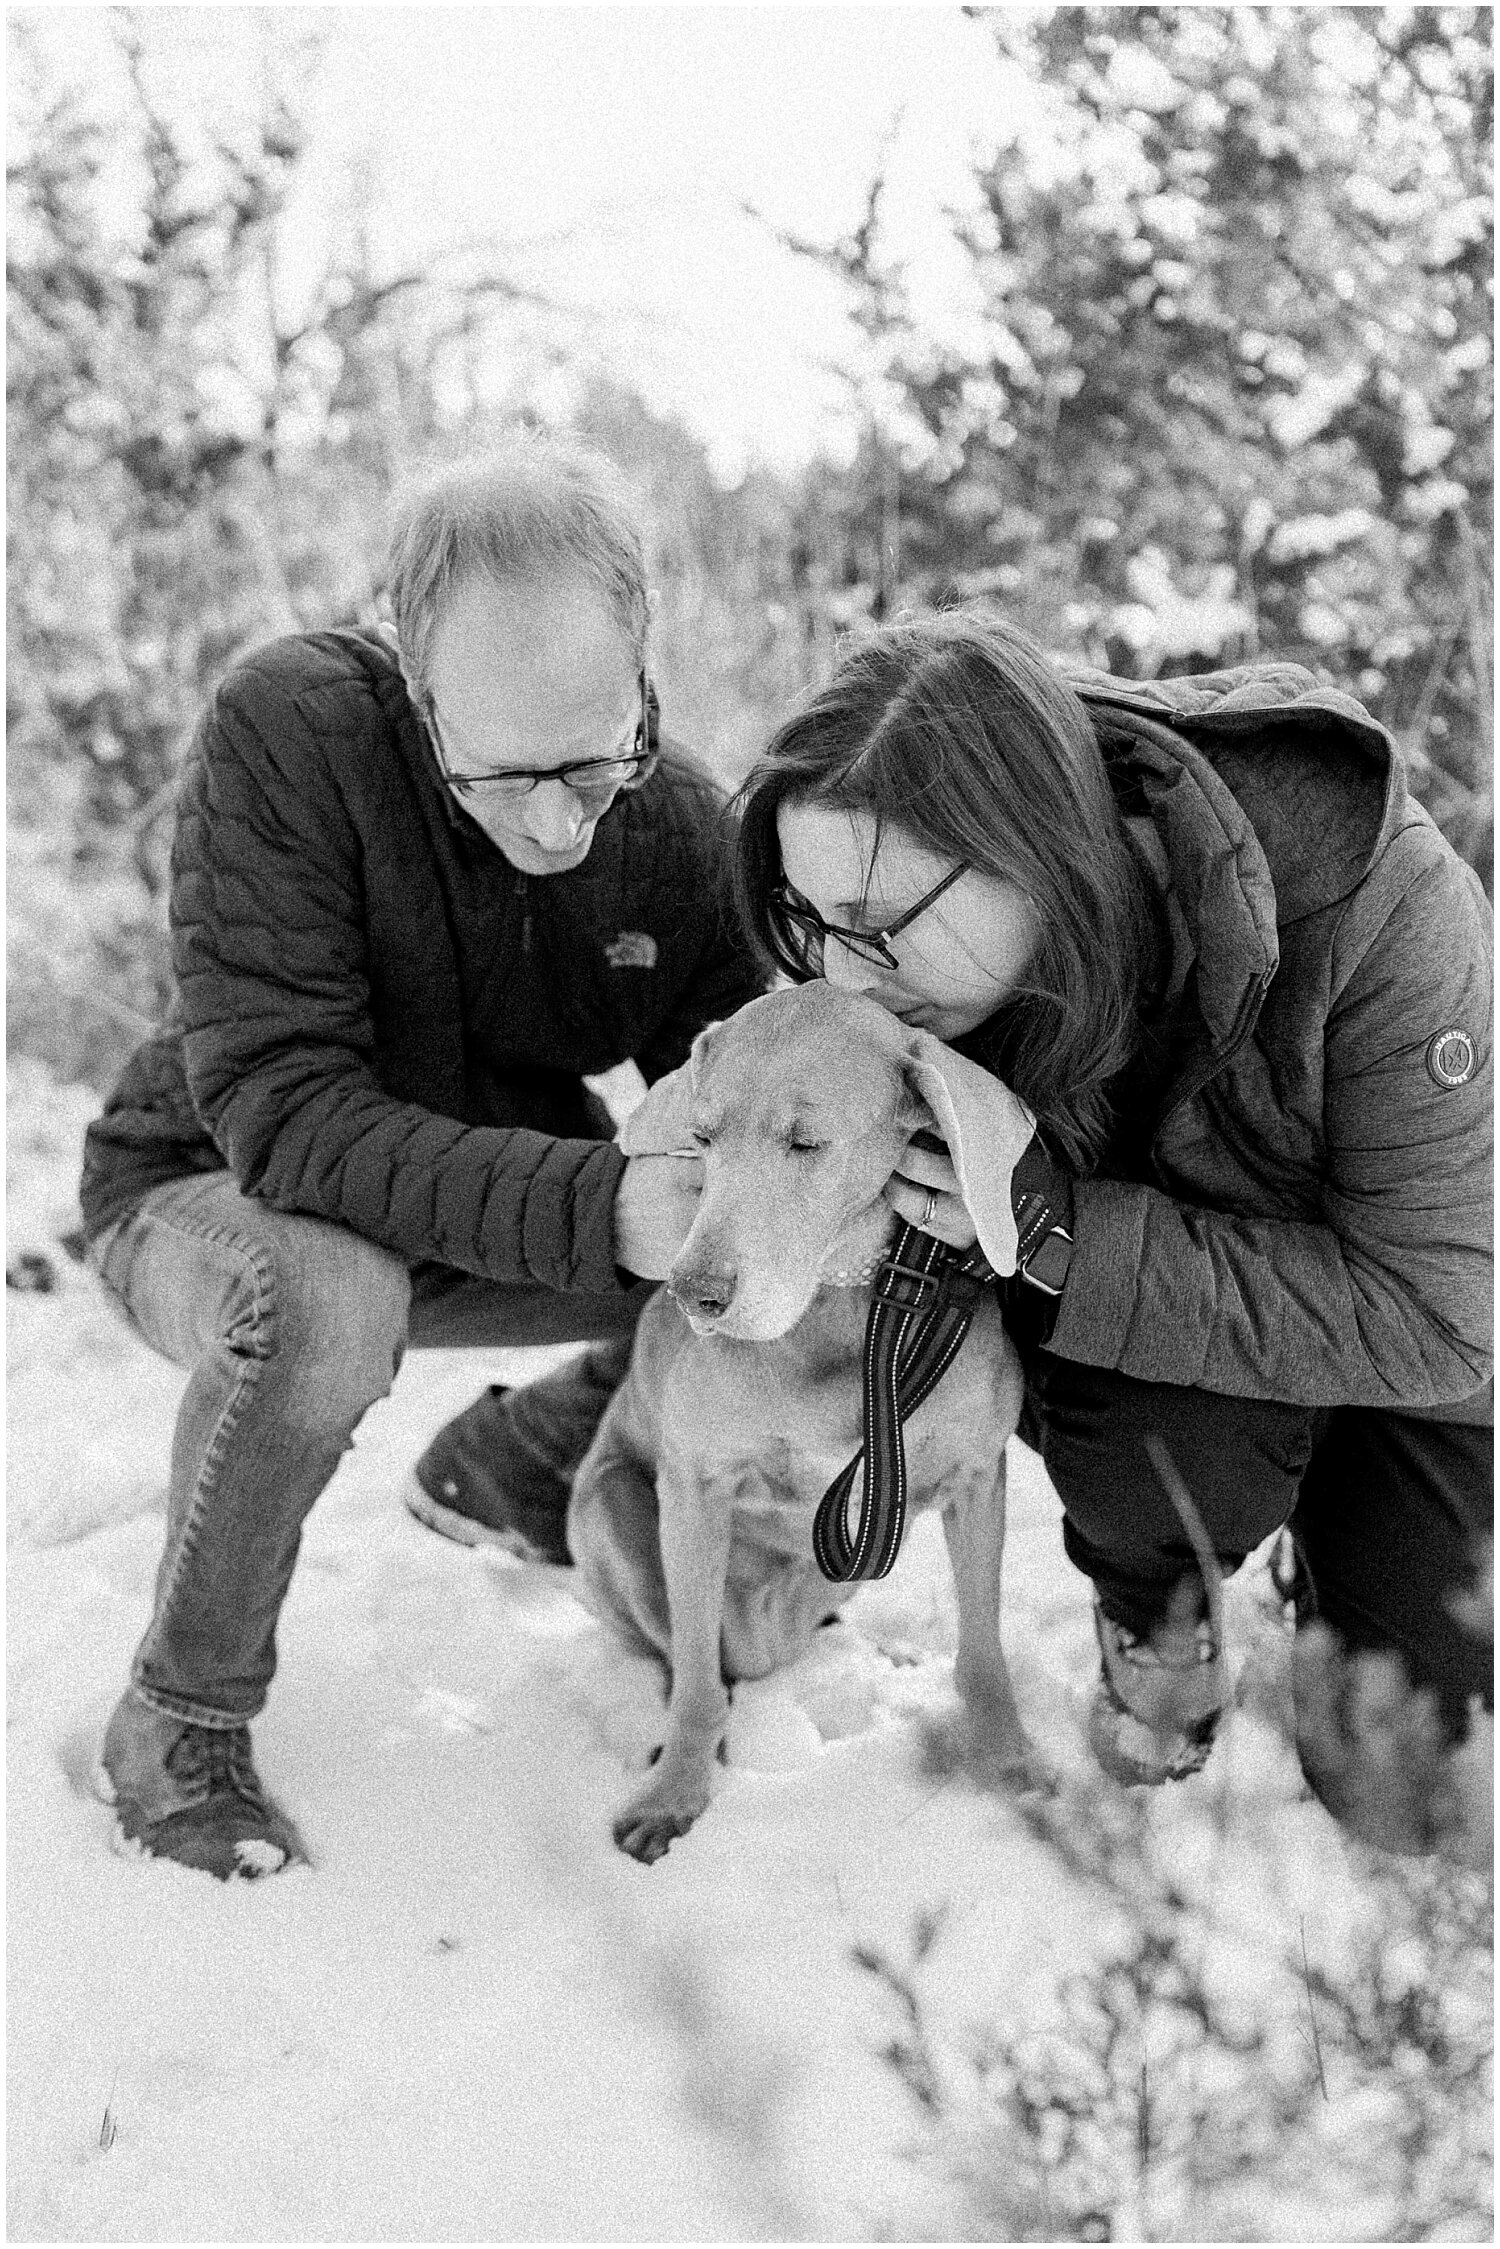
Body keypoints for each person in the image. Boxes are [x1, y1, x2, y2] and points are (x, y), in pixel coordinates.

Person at [79, 436, 762, 1879]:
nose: (563, 821)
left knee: (728, 1267)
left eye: (599, 759)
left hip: (472, 1203)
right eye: (504, 776)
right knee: (328, 1300)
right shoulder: (290, 733)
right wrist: (597, 1205)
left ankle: (518, 1465)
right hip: (214, 1194)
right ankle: (177, 1719)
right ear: (414, 676)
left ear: (644, 659)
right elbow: (285, 1110)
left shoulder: (682, 831)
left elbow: (746, 1108)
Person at [730, 608, 1492, 1853]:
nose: (842, 978)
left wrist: (1063, 1232)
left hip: (1406, 1351)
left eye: (875, 921)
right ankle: (1159, 1602)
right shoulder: (910, 965)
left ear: (1029, 848)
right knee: (1157, 1437)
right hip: (1160, 1391)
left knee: (1415, 1790)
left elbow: (1444, 1319)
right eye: (809, 921)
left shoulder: (1381, 907)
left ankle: (1334, 1543)